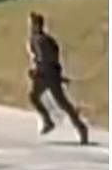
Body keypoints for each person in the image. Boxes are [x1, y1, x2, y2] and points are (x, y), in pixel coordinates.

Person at [26, 12, 89, 144]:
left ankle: (49, 121)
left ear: (37, 25)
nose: (29, 26)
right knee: (62, 103)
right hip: (50, 74)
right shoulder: (43, 39)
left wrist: (37, 71)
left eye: (31, 24)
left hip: (46, 75)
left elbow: (44, 59)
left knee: (39, 98)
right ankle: (80, 127)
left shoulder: (38, 40)